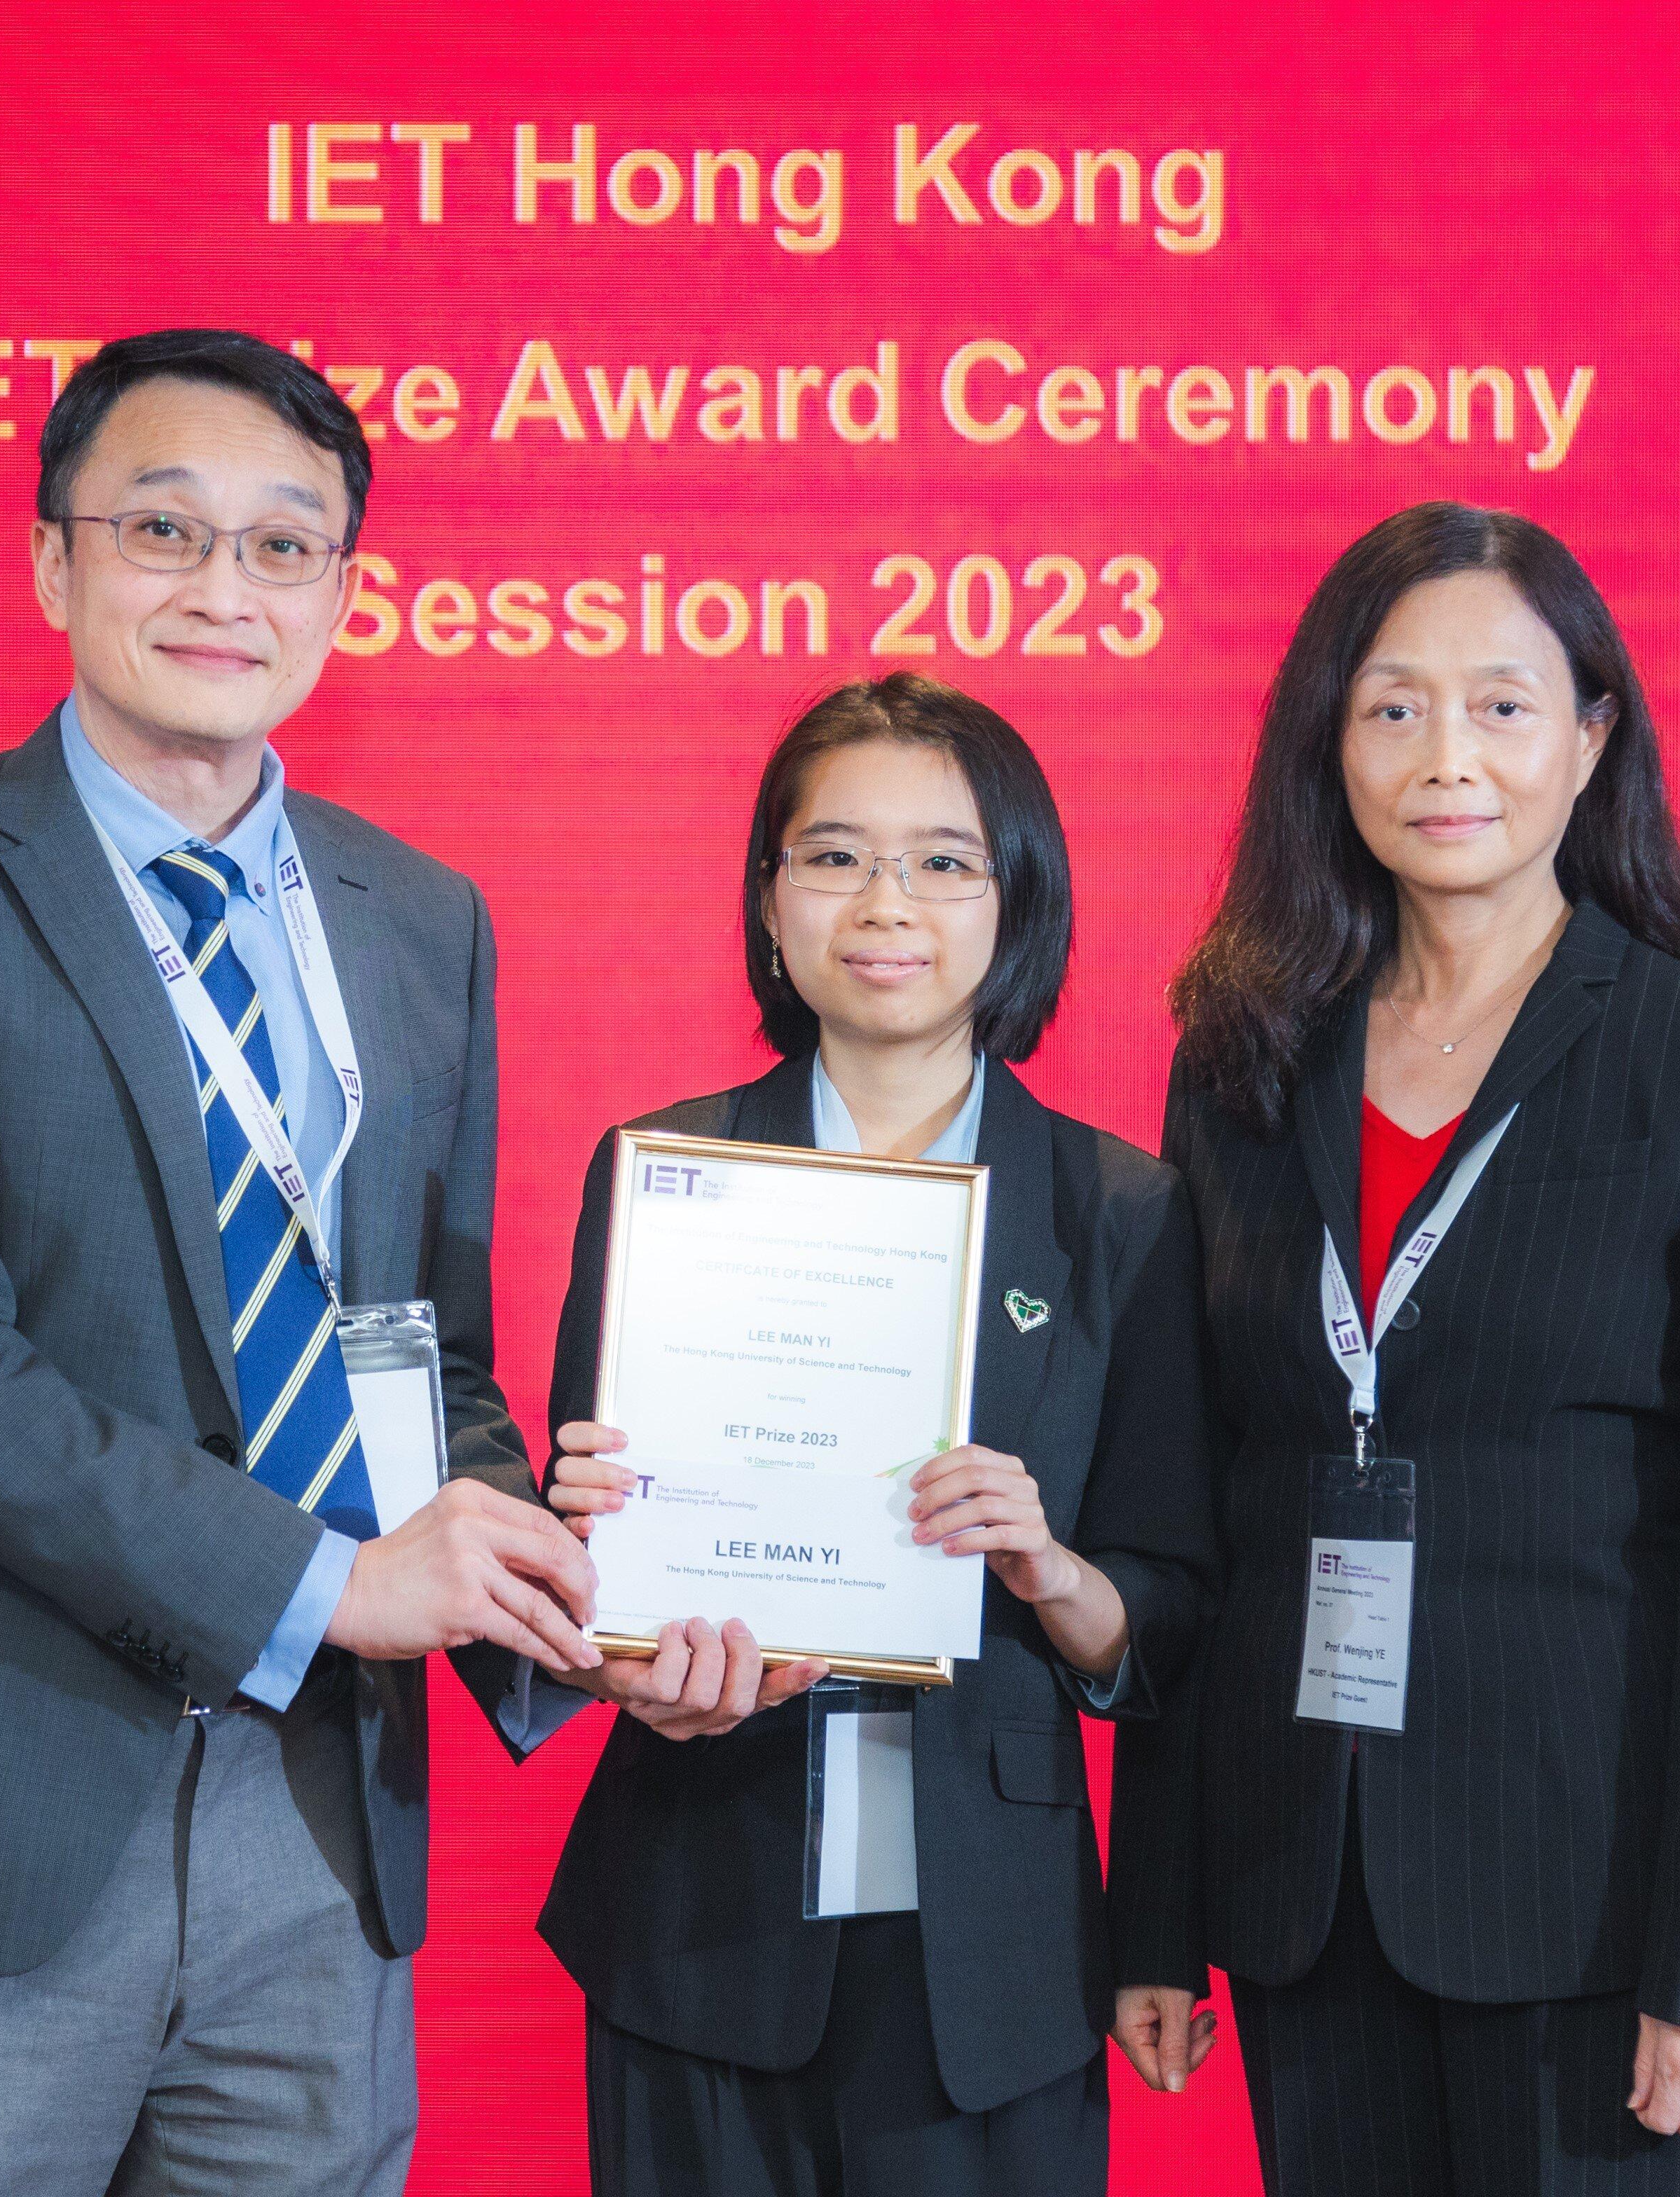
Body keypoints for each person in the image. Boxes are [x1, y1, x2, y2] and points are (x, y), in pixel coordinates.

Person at [0, 329, 604, 2195]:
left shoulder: (420, 918)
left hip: (315, 1829)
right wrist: (333, 1583)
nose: (223, 590)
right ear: (52, 563)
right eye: (165, 529)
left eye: (283, 546)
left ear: (345, 589)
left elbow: (425, 1353)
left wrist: (579, 1611)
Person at [1107, 503, 1680, 2194]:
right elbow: (1189, 1497)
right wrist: (1157, 1900)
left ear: (1593, 737)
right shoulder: (1241, 1065)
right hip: (1308, 1880)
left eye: (1503, 705)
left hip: (1591, 1911)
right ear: (1330, 742)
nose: (1449, 756)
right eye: (1392, 705)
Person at [528, 673, 1220, 2196]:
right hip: (699, 1916)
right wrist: (597, 1580)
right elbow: (587, 1567)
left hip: (997, 1947)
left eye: (943, 860)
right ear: (770, 902)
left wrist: (1045, 1561)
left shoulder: (1123, 1213)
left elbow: (1164, 1610)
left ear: (1014, 901)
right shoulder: (665, 1172)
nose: (884, 900)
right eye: (832, 854)